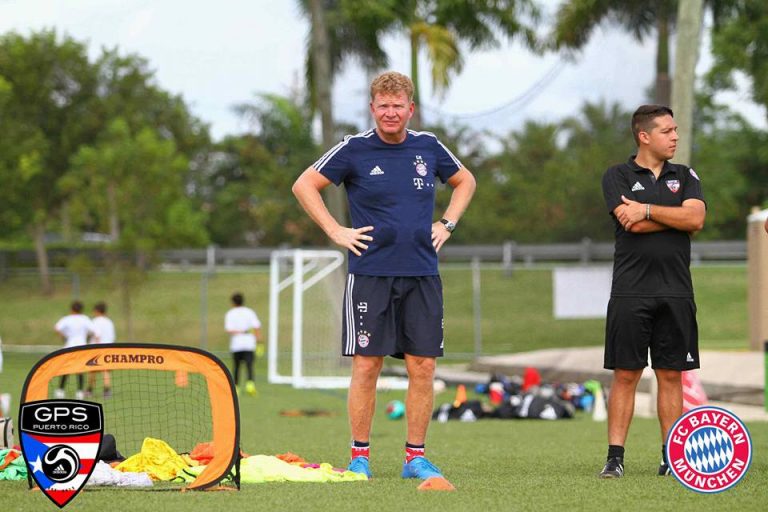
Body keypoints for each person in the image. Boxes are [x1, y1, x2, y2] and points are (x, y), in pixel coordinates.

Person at [292, 71, 476, 481]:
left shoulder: (429, 146)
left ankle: (415, 458)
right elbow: (304, 184)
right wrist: (335, 231)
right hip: (370, 274)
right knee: (367, 365)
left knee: (422, 366)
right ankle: (360, 456)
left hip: (422, 274)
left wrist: (447, 223)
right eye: (383, 105)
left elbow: (465, 180)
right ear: (372, 108)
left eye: (398, 106)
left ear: (411, 109)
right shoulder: (354, 148)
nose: (390, 112)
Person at [599, 105, 706, 478]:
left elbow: (696, 218)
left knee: (671, 375)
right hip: (630, 292)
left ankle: (671, 458)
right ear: (644, 136)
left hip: (677, 292)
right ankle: (615, 458)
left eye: (675, 130)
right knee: (626, 374)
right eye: (666, 131)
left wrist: (645, 209)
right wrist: (673, 216)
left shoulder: (686, 175)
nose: (675, 136)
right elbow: (632, 225)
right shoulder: (617, 175)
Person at [54, 300, 96, 399]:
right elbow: (94, 331)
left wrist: (64, 336)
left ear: (71, 309)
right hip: (82, 347)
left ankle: (60, 391)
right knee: (80, 369)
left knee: (66, 368)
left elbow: (56, 328)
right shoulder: (85, 319)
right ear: (81, 309)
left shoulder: (67, 319)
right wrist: (87, 337)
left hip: (69, 347)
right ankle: (80, 392)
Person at [225, 292, 262, 396]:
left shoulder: (230, 313)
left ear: (233, 302)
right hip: (249, 343)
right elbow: (256, 327)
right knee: (249, 365)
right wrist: (259, 342)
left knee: (236, 366)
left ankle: (236, 387)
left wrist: (239, 332)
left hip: (236, 344)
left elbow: (229, 330)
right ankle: (250, 385)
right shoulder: (249, 312)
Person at [88, 301, 116, 398]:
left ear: (97, 311)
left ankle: (89, 390)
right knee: (105, 370)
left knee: (92, 370)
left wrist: (96, 349)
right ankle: (107, 391)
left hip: (97, 348)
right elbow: (112, 337)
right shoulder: (109, 322)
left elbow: (97, 335)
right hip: (108, 348)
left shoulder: (95, 321)